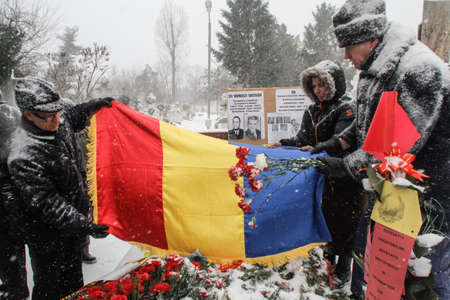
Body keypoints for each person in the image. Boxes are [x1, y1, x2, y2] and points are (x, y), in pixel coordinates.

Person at [314, 0, 450, 298]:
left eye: (350, 46)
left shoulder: (418, 72)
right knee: (372, 272)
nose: (346, 56)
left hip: (426, 205)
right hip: (387, 194)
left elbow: (397, 148)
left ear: (371, 38)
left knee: (423, 281)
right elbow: (367, 124)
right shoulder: (374, 70)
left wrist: (345, 167)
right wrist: (337, 144)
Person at [7, 78, 112, 300]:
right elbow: (50, 205)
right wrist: (86, 225)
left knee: (74, 286)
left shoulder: (56, 121)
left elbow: (73, 116)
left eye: (58, 112)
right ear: (29, 115)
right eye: (50, 116)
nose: (58, 120)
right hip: (48, 240)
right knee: (51, 289)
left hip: (71, 233)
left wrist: (95, 105)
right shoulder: (24, 156)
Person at [268, 60, 364, 283]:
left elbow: (341, 140)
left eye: (322, 85)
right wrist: (282, 143)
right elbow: (303, 139)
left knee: (344, 226)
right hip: (321, 179)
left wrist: (319, 149)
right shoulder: (312, 111)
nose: (318, 90)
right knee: (326, 223)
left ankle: (343, 270)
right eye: (314, 86)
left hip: (343, 179)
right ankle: (328, 266)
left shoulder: (346, 109)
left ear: (334, 84)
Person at [61, 97, 97, 264]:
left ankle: (84, 247)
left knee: (84, 211)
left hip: (82, 176)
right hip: (67, 191)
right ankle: (81, 247)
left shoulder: (69, 130)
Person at [0, 92, 29, 299]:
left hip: (5, 187)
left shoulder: (5, 115)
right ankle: (16, 284)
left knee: (7, 246)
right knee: (13, 246)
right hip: (15, 186)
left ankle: (15, 288)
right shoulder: (14, 113)